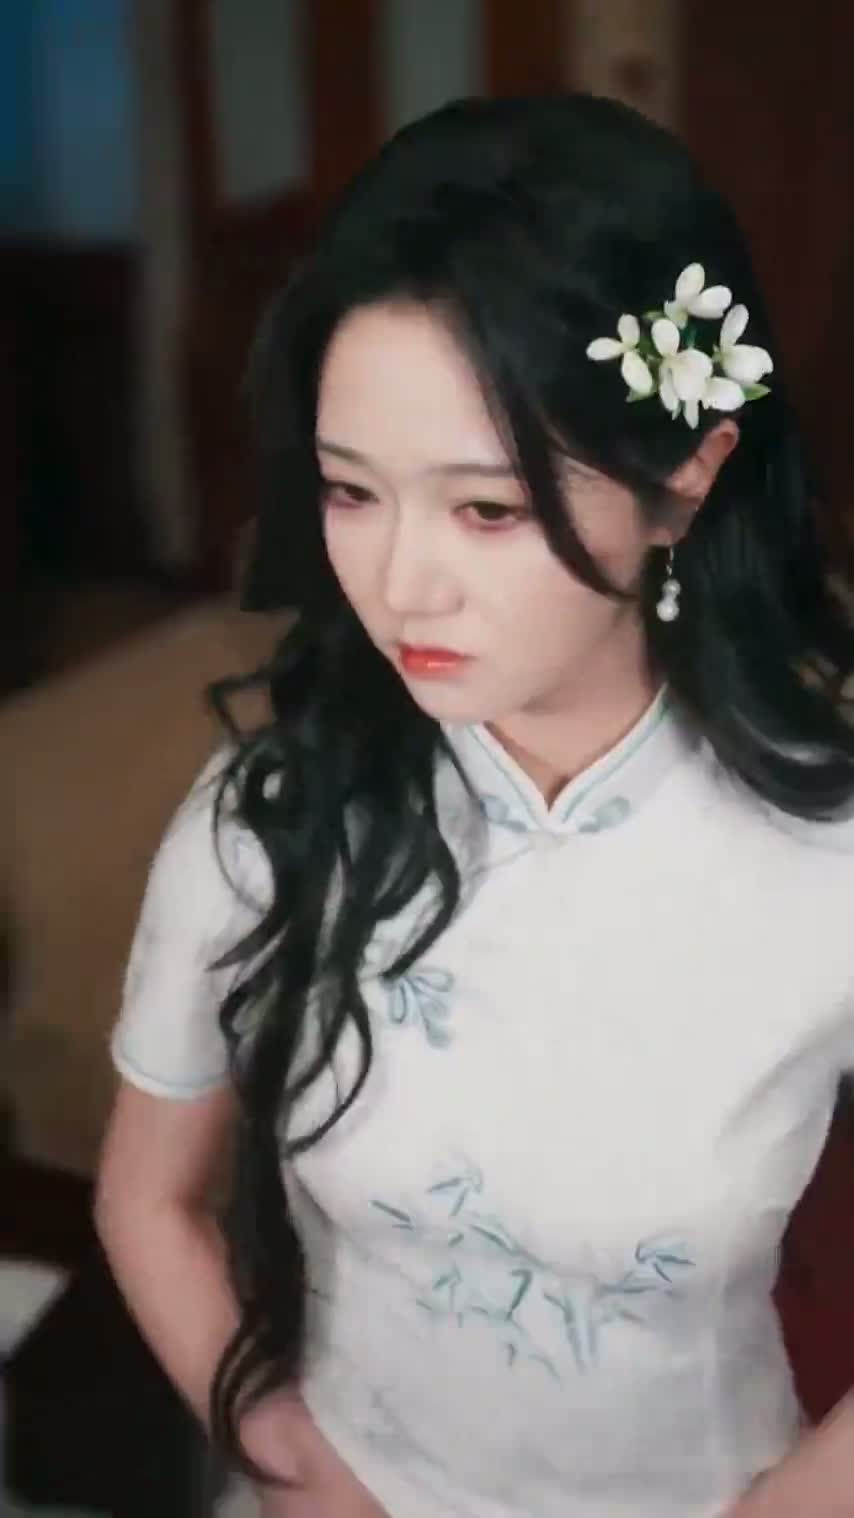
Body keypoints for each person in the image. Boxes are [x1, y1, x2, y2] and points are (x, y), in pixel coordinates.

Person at [95, 94, 854, 1518]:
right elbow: (146, 1197)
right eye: (351, 492)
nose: (400, 585)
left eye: (486, 510)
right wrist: (291, 1468)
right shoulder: (273, 813)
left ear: (684, 477)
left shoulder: (829, 861)